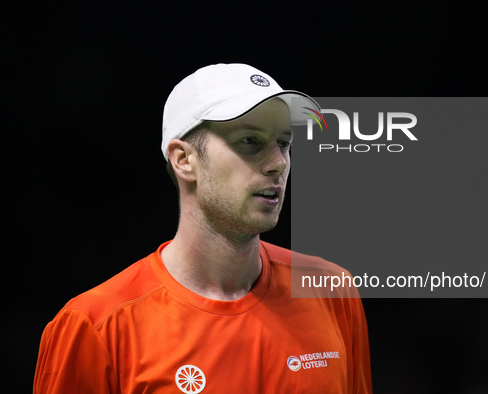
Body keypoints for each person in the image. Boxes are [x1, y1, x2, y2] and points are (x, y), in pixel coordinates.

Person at [33, 63, 372, 393]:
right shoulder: (94, 327)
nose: (279, 163)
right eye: (250, 141)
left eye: (283, 143)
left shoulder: (332, 291)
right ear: (183, 160)